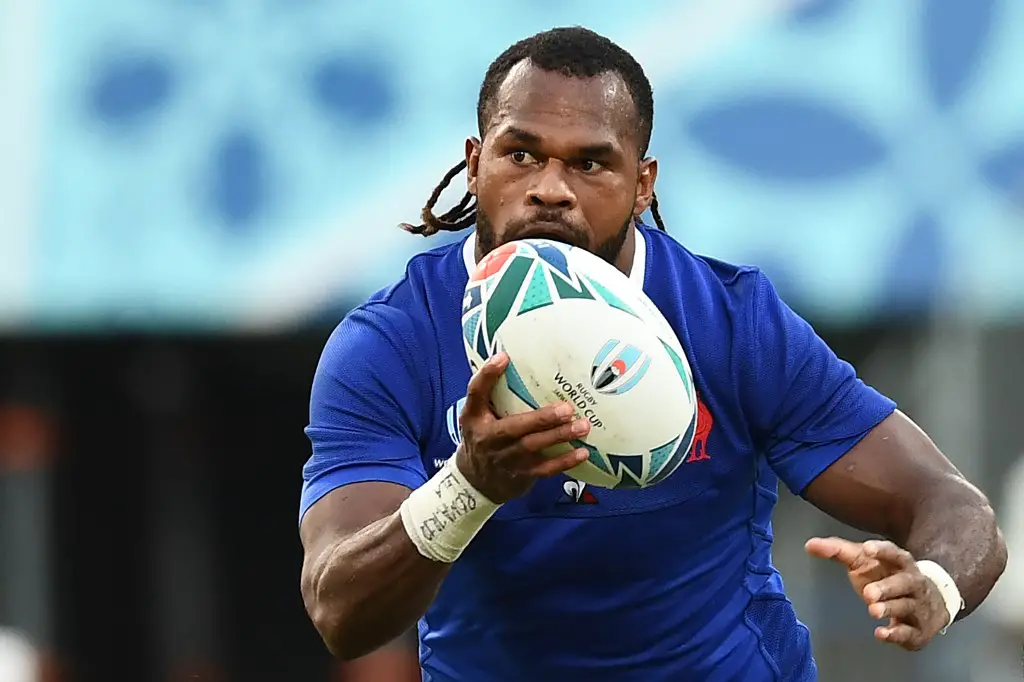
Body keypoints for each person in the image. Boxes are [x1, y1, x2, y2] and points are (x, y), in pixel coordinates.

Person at [297, 26, 1007, 681]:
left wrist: (936, 585)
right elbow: (340, 613)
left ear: (643, 185)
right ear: (476, 163)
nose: (549, 188)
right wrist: (469, 486)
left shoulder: (733, 322)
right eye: (521, 154)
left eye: (591, 164)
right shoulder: (390, 345)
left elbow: (951, 505)